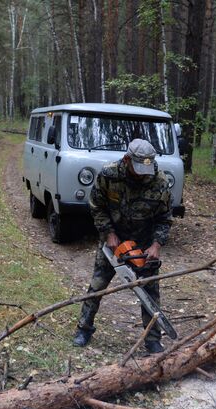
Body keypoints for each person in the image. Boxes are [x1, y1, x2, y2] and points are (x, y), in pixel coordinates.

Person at [72, 138, 172, 353]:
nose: (142, 173)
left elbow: (164, 218)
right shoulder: (109, 175)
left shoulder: (159, 181)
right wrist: (108, 232)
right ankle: (84, 328)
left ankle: (152, 339)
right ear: (127, 159)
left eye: (146, 168)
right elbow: (96, 206)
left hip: (143, 243)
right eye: (137, 168)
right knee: (97, 286)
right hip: (113, 242)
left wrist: (156, 244)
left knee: (150, 292)